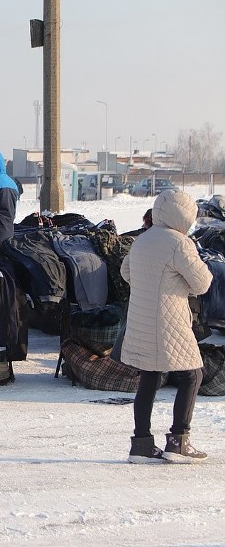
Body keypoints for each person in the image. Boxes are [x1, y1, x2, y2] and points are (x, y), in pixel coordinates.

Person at [122, 190, 212, 464]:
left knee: (149, 377)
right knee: (191, 376)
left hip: (141, 318)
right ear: (185, 215)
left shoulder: (142, 239)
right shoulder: (179, 243)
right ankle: (178, 442)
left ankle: (141, 445)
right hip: (169, 319)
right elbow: (202, 283)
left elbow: (126, 272)